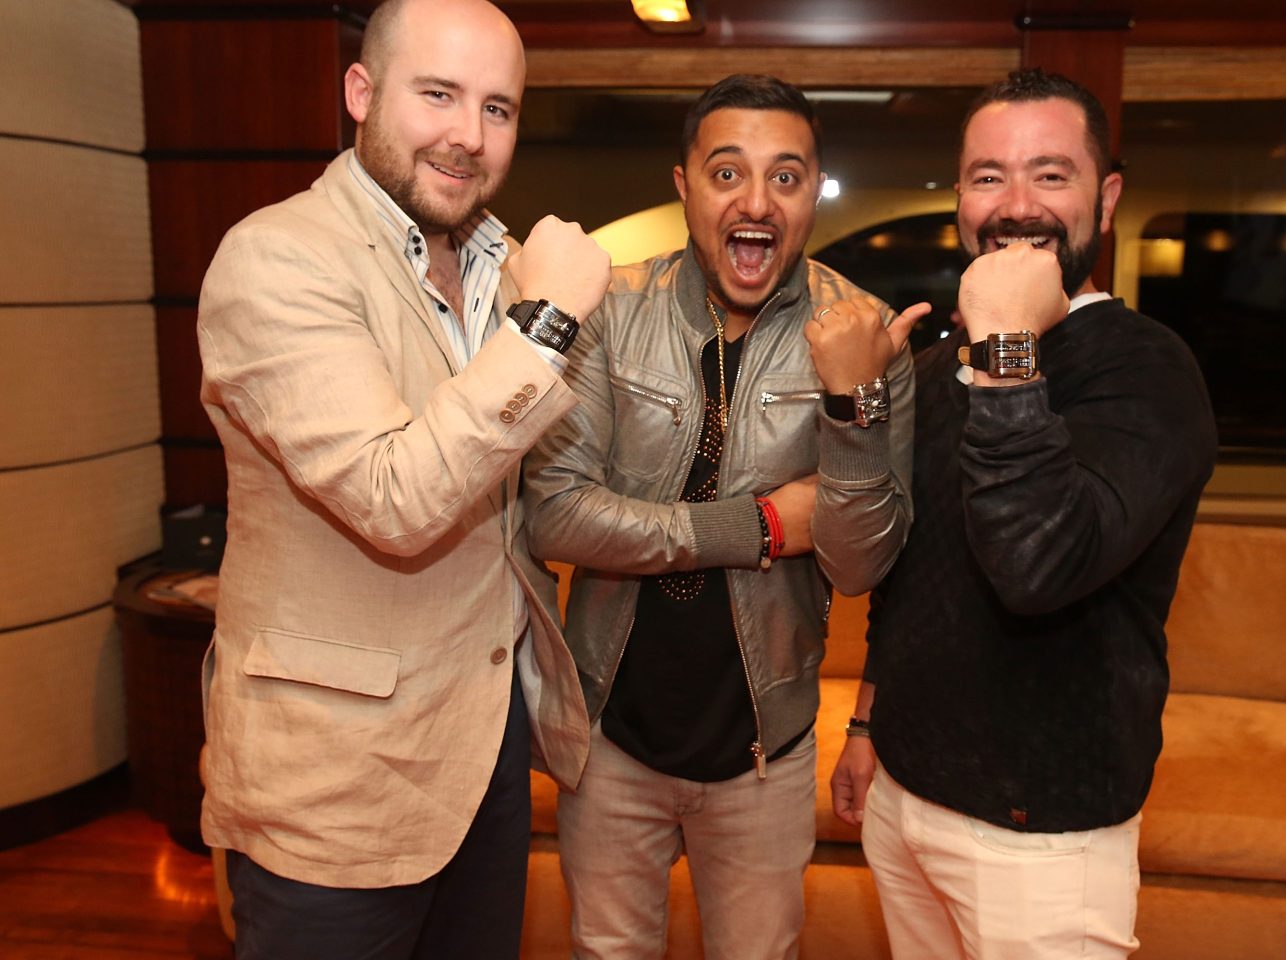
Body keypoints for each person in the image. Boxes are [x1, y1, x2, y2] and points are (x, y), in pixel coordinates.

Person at [195, 0, 610, 956]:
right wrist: (548, 322)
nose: (469, 135)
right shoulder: (277, 258)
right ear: (361, 92)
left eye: (498, 108)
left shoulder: (506, 264)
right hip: (335, 788)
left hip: (483, 752)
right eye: (438, 95)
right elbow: (394, 499)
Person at [523, 74, 926, 960]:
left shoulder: (864, 333)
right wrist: (762, 527)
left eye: (786, 177)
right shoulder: (609, 313)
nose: (756, 202)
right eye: (727, 173)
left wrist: (851, 403)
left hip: (763, 755)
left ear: (813, 192)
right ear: (686, 187)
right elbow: (554, 516)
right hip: (610, 740)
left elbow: (861, 565)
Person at [828, 68, 1217, 960]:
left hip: (1043, 837)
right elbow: (905, 576)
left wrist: (1006, 348)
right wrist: (867, 724)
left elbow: (1037, 565)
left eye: (1050, 174)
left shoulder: (1148, 369)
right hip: (904, 796)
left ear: (1105, 199)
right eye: (988, 176)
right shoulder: (938, 368)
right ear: (960, 199)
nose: (1016, 205)